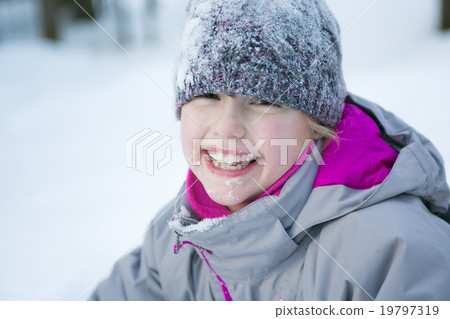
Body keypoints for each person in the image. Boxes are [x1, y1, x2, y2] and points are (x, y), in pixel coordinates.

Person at [89, 0, 450, 300]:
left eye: (264, 101)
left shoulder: (390, 254)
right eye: (208, 96)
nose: (227, 129)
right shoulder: (173, 239)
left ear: (316, 124)